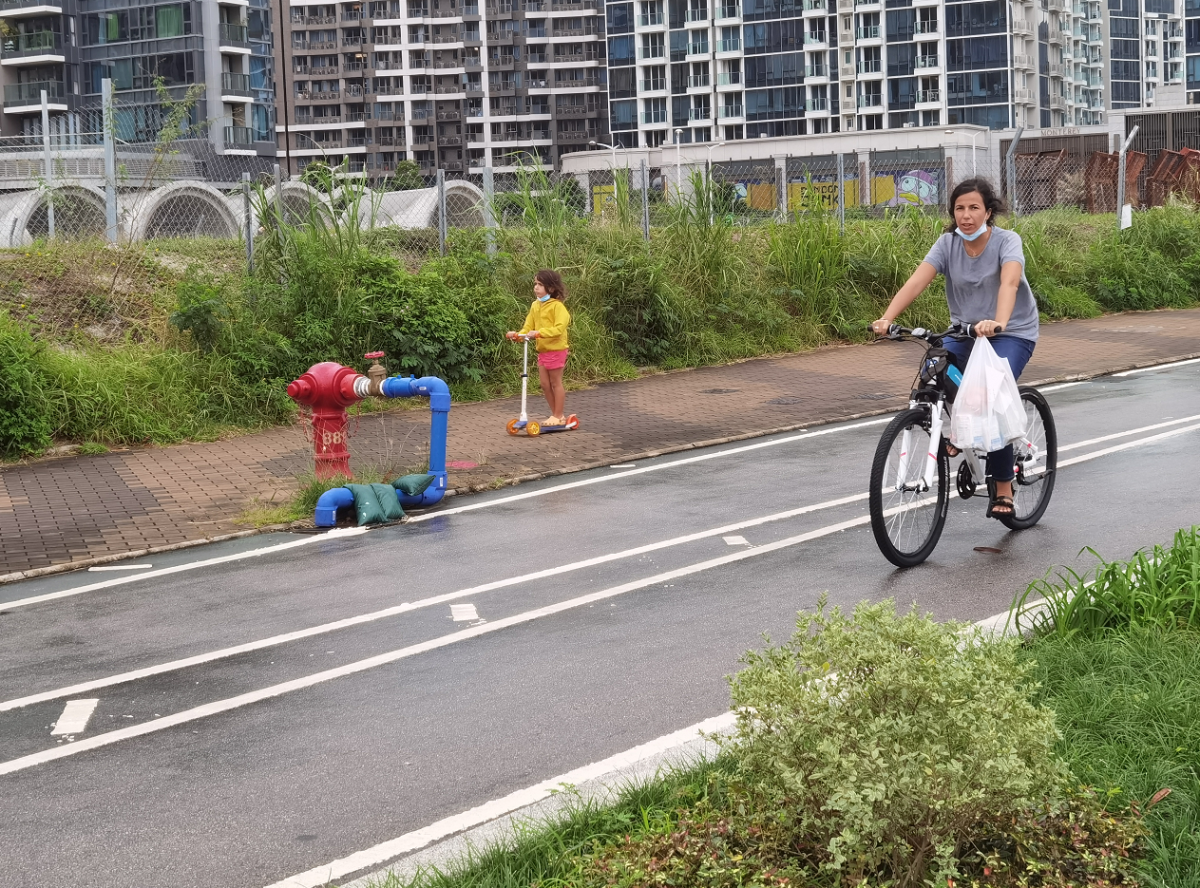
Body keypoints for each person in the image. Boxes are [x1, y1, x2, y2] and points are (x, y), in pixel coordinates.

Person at [870, 177, 1039, 519]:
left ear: (988, 212)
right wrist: (886, 318)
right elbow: (918, 280)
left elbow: (1009, 281)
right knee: (932, 373)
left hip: (1012, 331)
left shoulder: (1008, 241)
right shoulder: (947, 244)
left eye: (974, 207)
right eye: (959, 208)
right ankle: (961, 430)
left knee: (991, 395)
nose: (966, 215)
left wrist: (998, 321)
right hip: (964, 332)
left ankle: (1004, 486)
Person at [506, 269, 571, 426]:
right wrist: (518, 335)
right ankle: (557, 415)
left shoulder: (557, 307)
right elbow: (528, 327)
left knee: (555, 383)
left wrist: (540, 333)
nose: (536, 287)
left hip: (556, 349)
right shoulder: (535, 305)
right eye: (535, 283)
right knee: (544, 384)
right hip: (543, 350)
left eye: (540, 284)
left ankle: (558, 414)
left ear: (551, 288)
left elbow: (559, 328)